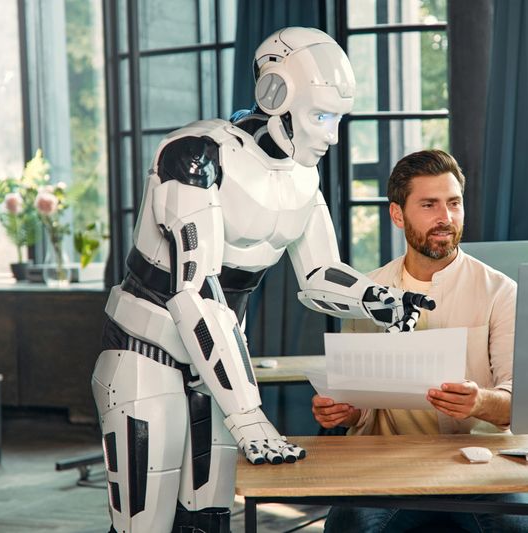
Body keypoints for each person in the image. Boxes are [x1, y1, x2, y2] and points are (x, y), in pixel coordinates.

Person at [91, 27, 432, 533]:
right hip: (146, 351)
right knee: (146, 522)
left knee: (208, 518)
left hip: (216, 363)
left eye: (338, 118)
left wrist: (376, 299)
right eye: (321, 116)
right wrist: (247, 413)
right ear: (277, 94)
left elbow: (318, 275)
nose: (332, 135)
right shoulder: (196, 157)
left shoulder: (301, 176)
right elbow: (195, 291)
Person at [312, 149, 528, 533]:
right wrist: (344, 411)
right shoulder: (364, 294)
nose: (446, 218)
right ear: (397, 214)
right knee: (348, 525)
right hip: (388, 468)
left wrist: (479, 401)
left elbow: (521, 403)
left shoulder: (501, 292)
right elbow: (360, 409)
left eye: (454, 204)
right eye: (429, 205)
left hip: (483, 465)